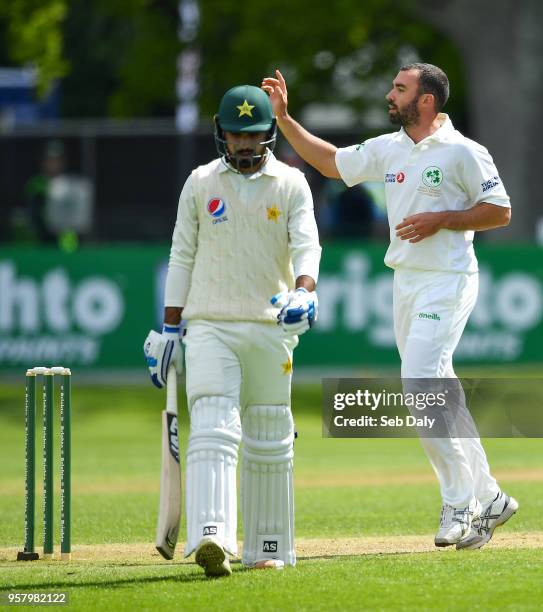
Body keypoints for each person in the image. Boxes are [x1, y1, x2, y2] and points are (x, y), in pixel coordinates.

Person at [262, 63, 517, 550]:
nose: (389, 94)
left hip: (449, 279)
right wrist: (285, 120)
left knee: (420, 380)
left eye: (400, 88)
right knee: (440, 388)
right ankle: (491, 497)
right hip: (407, 283)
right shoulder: (392, 147)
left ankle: (459, 501)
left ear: (426, 101)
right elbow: (333, 162)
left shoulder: (465, 151)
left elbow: (500, 211)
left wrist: (443, 219)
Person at [144, 84, 321, 576]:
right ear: (220, 132)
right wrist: (170, 327)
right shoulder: (200, 182)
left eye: (254, 134)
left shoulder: (290, 183)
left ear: (268, 133)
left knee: (268, 434)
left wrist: (304, 291)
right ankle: (212, 537)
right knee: (214, 426)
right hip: (210, 325)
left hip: (270, 325)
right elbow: (182, 254)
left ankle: (267, 547)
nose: (244, 143)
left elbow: (308, 245)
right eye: (236, 134)